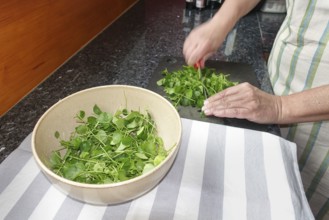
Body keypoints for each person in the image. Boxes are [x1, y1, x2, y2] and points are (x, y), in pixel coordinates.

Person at [183, 0, 329, 218]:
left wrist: (280, 106)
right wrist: (220, 22)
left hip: (320, 137)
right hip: (276, 85)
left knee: (298, 206)